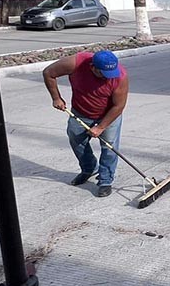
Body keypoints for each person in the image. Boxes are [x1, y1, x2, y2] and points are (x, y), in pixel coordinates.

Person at [43, 50, 129, 197]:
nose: (108, 78)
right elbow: (48, 73)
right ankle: (89, 168)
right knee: (76, 140)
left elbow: (118, 106)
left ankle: (105, 180)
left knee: (109, 147)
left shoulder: (120, 76)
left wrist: (101, 127)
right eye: (103, 74)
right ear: (92, 67)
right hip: (80, 112)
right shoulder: (76, 63)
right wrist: (56, 98)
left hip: (108, 115)